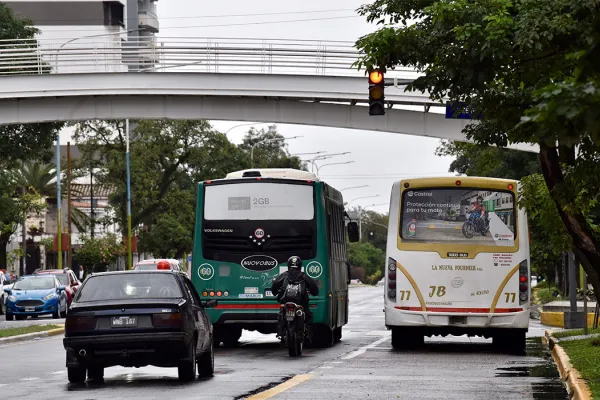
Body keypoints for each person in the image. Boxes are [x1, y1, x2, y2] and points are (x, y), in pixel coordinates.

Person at [271, 256, 319, 325]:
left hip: (285, 300)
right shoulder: (304, 276)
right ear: (300, 266)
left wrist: (274, 293)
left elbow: (275, 284)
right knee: (308, 315)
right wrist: (315, 293)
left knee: (281, 314)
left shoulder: (284, 275)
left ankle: (281, 330)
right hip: (301, 302)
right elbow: (313, 288)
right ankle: (305, 331)